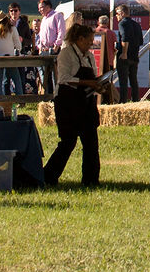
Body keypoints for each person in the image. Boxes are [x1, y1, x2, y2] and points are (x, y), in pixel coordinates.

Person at [44, 23, 106, 187]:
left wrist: (99, 84)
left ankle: (91, 180)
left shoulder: (89, 56)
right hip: (67, 102)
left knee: (91, 141)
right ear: (79, 39)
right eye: (88, 41)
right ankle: (48, 176)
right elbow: (63, 78)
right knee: (68, 141)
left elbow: (92, 78)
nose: (90, 44)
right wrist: (89, 82)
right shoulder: (66, 54)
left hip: (86, 102)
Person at [114, 4, 143, 103]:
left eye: (117, 14)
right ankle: (135, 100)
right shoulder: (137, 24)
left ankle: (123, 101)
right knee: (134, 81)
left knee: (123, 81)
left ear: (122, 13)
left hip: (125, 56)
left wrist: (124, 53)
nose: (116, 16)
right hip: (134, 56)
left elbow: (125, 38)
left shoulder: (122, 23)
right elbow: (140, 41)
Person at [0, 14, 20, 97]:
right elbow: (18, 45)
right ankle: (20, 98)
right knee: (16, 78)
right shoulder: (12, 29)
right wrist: (17, 51)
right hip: (9, 57)